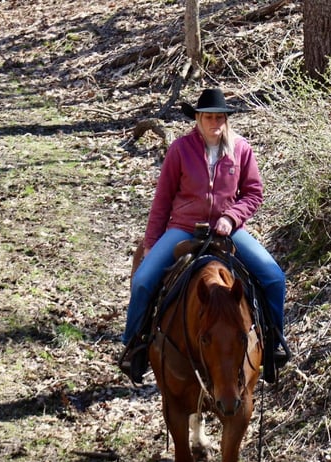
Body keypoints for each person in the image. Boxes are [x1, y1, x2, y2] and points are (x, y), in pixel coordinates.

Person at [119, 87, 288, 382]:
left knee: (274, 277)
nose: (215, 123)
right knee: (144, 280)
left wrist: (231, 217)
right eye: (209, 117)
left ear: (226, 119)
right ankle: (134, 346)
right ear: (197, 118)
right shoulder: (180, 150)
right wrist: (150, 243)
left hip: (228, 232)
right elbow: (162, 200)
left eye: (220, 117)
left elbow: (253, 193)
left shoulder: (241, 149)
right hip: (183, 227)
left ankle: (272, 343)